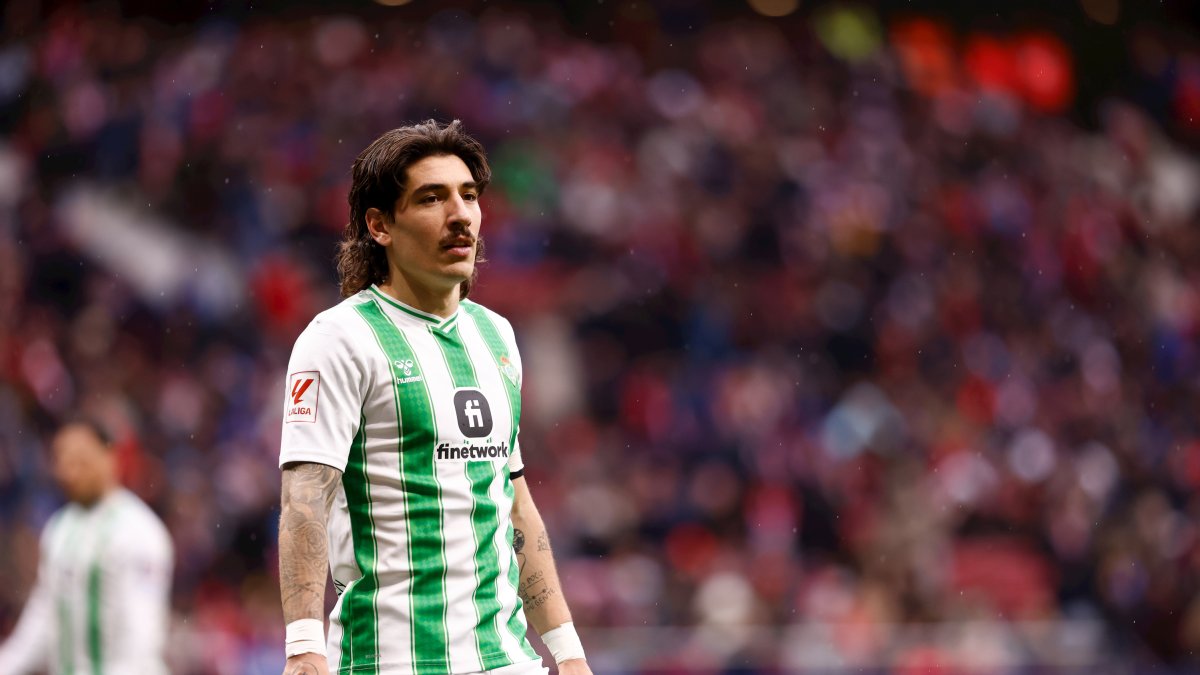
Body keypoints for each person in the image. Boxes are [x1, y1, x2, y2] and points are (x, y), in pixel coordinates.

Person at [278, 120, 591, 675]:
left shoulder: (497, 336)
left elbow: (515, 505)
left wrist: (567, 653)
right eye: (432, 198)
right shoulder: (339, 338)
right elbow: (305, 498)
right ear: (380, 226)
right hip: (394, 661)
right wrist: (304, 647)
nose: (460, 215)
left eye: (469, 196)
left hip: (508, 660)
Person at [0, 420, 175, 674]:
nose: (70, 471)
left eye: (81, 460)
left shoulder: (139, 531)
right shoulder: (59, 528)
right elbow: (44, 615)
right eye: (62, 460)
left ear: (110, 457)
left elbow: (142, 636)